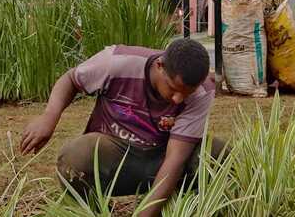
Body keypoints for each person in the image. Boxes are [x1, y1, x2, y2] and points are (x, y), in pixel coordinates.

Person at [20, 39, 222, 217]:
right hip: (118, 156)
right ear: (160, 66)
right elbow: (71, 79)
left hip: (162, 159)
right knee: (75, 157)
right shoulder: (117, 62)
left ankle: (181, 207)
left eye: (187, 93)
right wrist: (49, 117)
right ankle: (97, 210)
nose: (178, 99)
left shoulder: (202, 91)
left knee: (217, 154)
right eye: (173, 88)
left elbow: (175, 160)